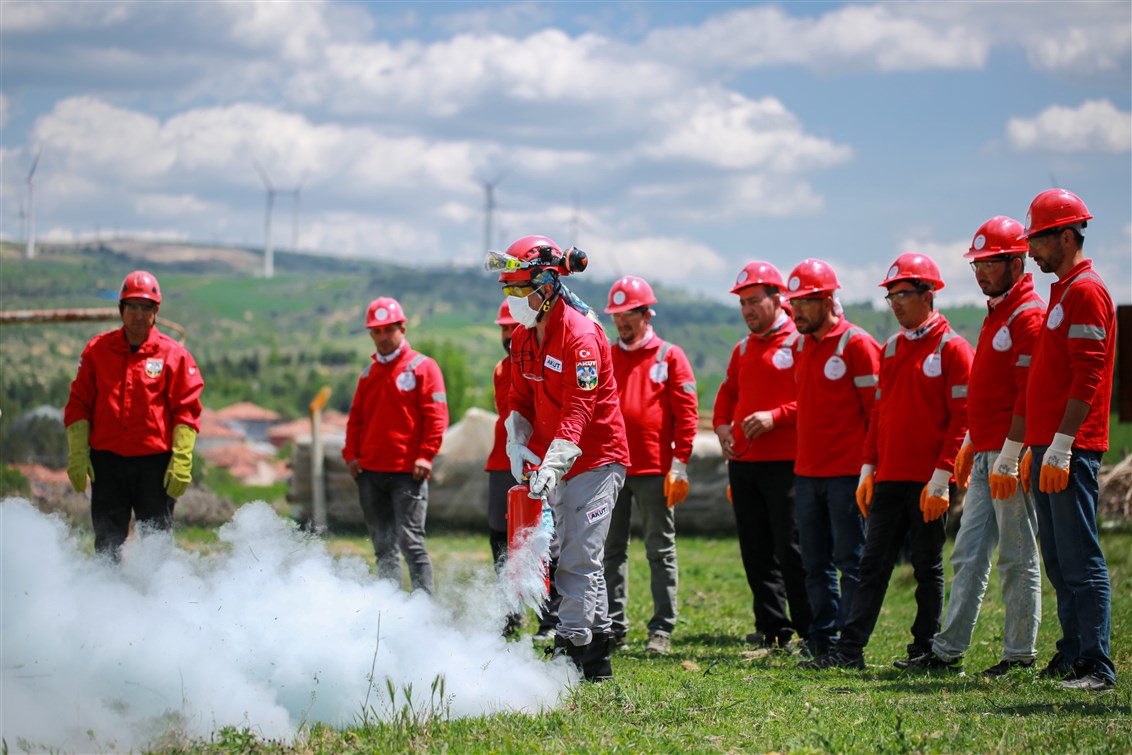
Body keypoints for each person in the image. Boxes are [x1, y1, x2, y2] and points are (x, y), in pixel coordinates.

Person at [802, 253, 972, 670]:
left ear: (928, 295)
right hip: (891, 476)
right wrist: (868, 466)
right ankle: (849, 650)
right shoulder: (892, 348)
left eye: (903, 294)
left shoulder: (954, 349)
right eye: (890, 295)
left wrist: (942, 475)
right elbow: (879, 412)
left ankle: (924, 648)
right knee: (871, 563)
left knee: (927, 565)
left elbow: (963, 419)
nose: (894, 303)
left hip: (929, 480)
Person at [901, 217, 1044, 676]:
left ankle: (1019, 655)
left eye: (989, 262)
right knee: (967, 553)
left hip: (1008, 456)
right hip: (984, 453)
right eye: (976, 263)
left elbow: (1028, 392)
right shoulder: (998, 313)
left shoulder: (1027, 315)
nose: (981, 271)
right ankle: (947, 651)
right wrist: (969, 444)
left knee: (1017, 555)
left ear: (1016, 261)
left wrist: (1011, 451)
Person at [485, 235, 630, 682]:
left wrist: (553, 462)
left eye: (518, 290)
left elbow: (580, 410)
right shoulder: (528, 338)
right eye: (506, 291)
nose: (512, 302)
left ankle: (570, 647)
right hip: (558, 462)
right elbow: (520, 396)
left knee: (577, 557)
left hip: (597, 459)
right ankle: (598, 659)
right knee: (575, 554)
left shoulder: (582, 337)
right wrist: (516, 437)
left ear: (547, 285)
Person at [1022, 189, 1116, 692]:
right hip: (1048, 445)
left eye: (1036, 240)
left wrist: (1061, 442)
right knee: (1058, 557)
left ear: (1065, 235)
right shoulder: (1062, 291)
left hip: (1070, 447)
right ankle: (1072, 654)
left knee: (1080, 554)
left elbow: (1090, 372)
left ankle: (1096, 666)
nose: (1031, 251)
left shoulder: (1084, 290)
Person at [64, 270, 203, 560]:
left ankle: (157, 601)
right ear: (121, 310)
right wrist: (78, 453)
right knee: (107, 544)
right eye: (132, 307)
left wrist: (181, 458)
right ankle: (107, 599)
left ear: (156, 311)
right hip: (108, 464)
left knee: (157, 545)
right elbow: (79, 403)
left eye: (146, 308)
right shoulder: (97, 350)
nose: (139, 315)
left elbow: (186, 409)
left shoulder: (173, 355)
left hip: (154, 466)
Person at [781, 259, 879, 658]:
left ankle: (848, 645)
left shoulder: (857, 344)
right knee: (815, 563)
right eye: (794, 303)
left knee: (850, 561)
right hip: (807, 473)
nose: (796, 312)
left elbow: (877, 413)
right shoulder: (800, 345)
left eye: (805, 302)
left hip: (847, 474)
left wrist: (871, 468)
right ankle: (821, 638)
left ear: (827, 300)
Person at [712, 261, 812, 650]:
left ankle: (810, 629)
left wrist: (777, 416)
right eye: (743, 304)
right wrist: (722, 426)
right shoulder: (743, 348)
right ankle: (773, 629)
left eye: (754, 301)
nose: (748, 310)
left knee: (791, 549)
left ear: (777, 299)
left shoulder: (799, 343)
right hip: (744, 463)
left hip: (787, 462)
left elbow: (814, 400)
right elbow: (728, 393)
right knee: (755, 550)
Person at [602, 275, 699, 656]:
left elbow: (687, 414)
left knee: (660, 549)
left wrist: (680, 463)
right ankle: (612, 626)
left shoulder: (669, 356)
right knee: (610, 551)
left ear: (646, 313)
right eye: (617, 316)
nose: (622, 322)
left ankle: (661, 629)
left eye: (629, 314)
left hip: (656, 469)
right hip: (611, 469)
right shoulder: (607, 356)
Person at [343, 296, 448, 595]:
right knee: (383, 547)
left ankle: (422, 611)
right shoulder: (368, 374)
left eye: (388, 329)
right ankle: (389, 610)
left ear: (402, 328)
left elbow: (436, 416)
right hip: (370, 473)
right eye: (376, 331)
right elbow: (356, 420)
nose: (382, 337)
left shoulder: (423, 367)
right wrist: (351, 455)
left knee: (411, 544)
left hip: (408, 473)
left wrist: (426, 455)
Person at [484, 299, 560, 637]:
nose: (506, 333)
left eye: (509, 327)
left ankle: (550, 617)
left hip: (540, 462)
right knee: (500, 538)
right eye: (502, 328)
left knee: (543, 537)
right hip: (502, 461)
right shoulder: (502, 369)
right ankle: (510, 612)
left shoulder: (540, 362)